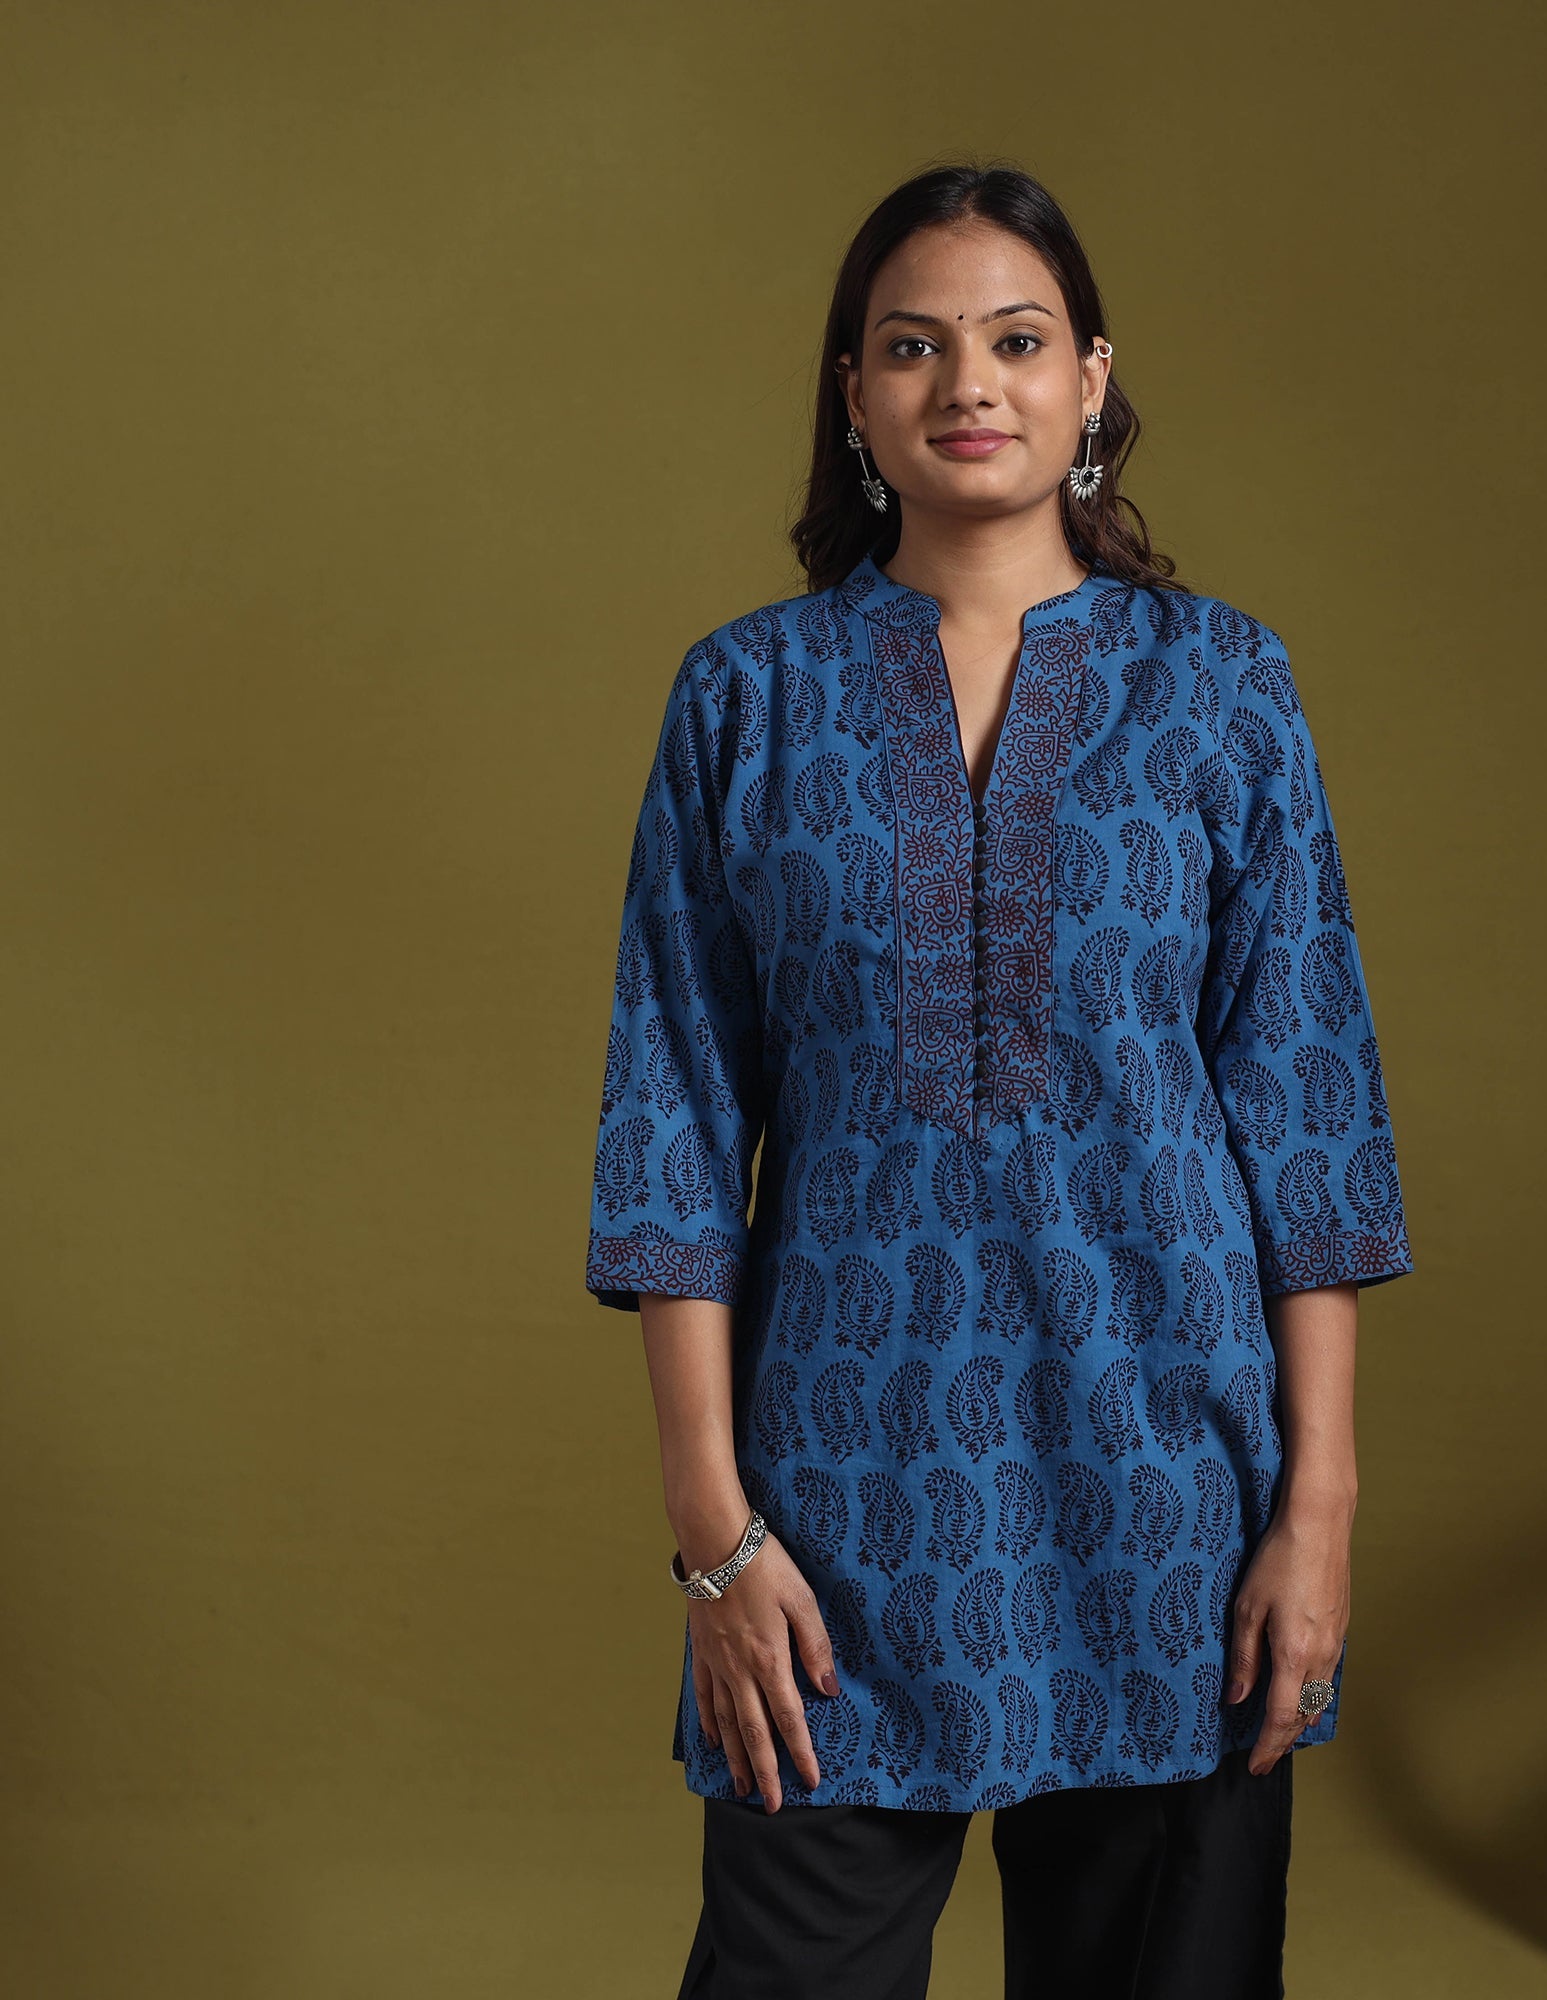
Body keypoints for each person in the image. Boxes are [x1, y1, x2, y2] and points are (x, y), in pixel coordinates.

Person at [585, 160, 1414, 2000]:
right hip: (832, 1513)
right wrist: (715, 1536)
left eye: (1017, 340)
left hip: (1172, 1508)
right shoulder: (745, 701)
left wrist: (1319, 1516)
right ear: (855, 395)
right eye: (913, 346)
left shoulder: (1222, 689)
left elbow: (1313, 1131)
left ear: (1092, 379)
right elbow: (670, 1139)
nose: (969, 381)